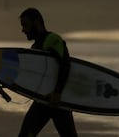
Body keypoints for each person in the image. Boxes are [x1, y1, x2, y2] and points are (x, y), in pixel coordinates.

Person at [18, 8, 77, 137]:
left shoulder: (52, 39)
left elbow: (65, 65)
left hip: (58, 102)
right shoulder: (35, 47)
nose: (23, 30)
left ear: (37, 22)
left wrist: (57, 92)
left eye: (25, 25)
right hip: (42, 101)